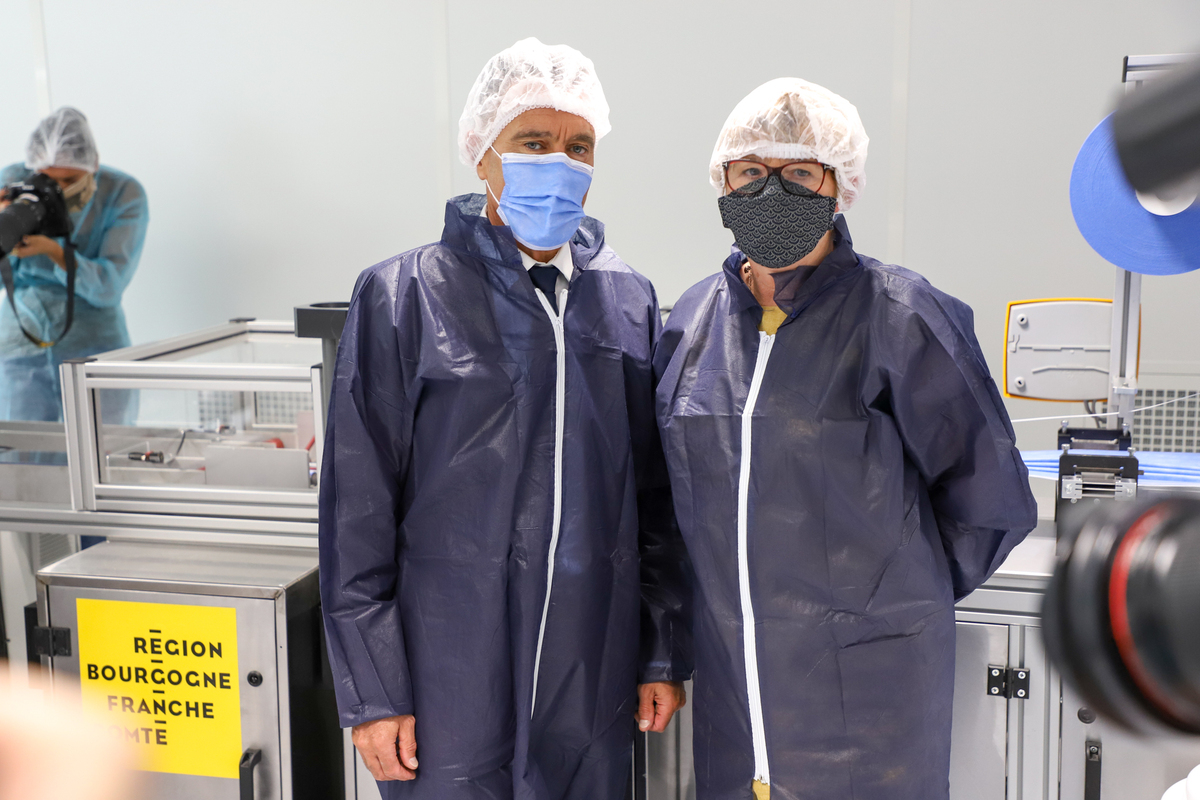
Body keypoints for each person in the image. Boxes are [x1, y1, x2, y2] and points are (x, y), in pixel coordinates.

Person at [319, 38, 692, 799]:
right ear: (482, 152)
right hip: (449, 668)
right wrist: (376, 691)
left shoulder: (627, 299)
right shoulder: (402, 296)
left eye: (578, 146)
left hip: (592, 662)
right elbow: (357, 507)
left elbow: (657, 501)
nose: (558, 162)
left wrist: (660, 652)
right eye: (533, 142)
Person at [654, 78, 1037, 800]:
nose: (772, 194)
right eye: (751, 174)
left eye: (799, 174)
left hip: (872, 698)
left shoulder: (902, 317)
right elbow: (674, 507)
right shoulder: (693, 324)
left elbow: (988, 502)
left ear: (840, 185)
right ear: (722, 183)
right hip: (736, 693)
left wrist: (883, 598)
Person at [0, 107, 148, 422]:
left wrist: (55, 251)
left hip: (95, 345)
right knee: (22, 462)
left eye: (70, 180)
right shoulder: (12, 182)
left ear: (92, 164)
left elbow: (110, 285)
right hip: (20, 344)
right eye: (47, 180)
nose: (58, 191)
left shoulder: (122, 193)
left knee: (102, 455)